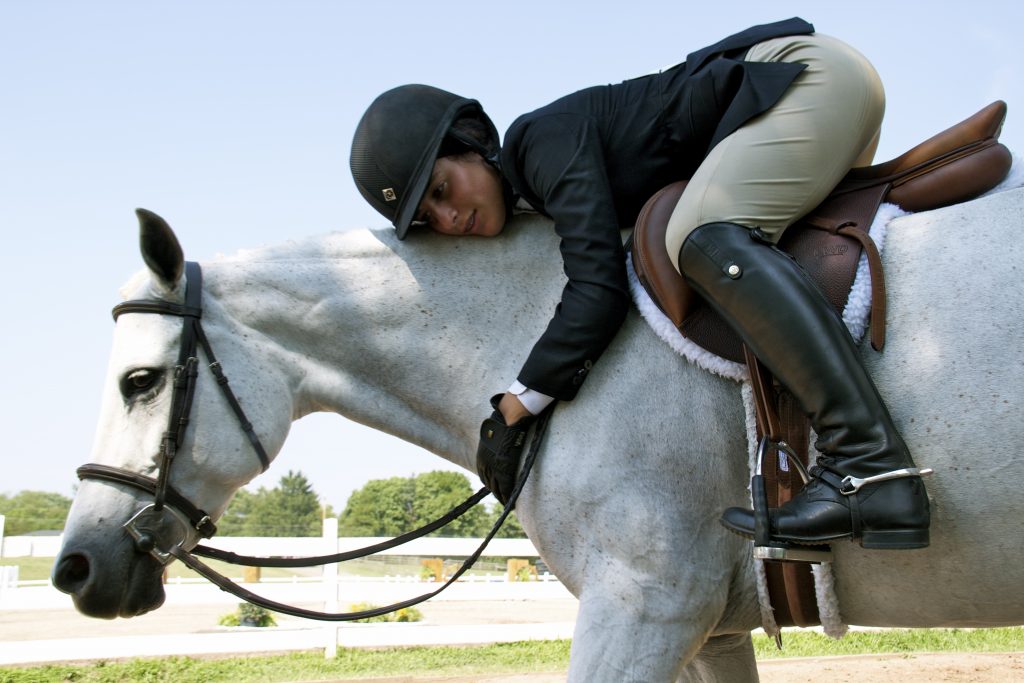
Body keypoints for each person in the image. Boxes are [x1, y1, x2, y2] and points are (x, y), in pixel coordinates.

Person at [349, 17, 931, 551]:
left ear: (474, 144)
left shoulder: (536, 142)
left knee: (700, 233)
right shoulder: (539, 188)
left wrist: (520, 402)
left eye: (443, 190)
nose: (447, 221)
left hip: (804, 80)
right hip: (811, 91)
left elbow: (598, 286)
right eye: (429, 219)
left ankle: (868, 464)